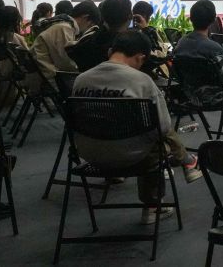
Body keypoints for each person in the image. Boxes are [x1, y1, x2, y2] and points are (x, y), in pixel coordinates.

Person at [71, 34, 202, 224]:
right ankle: (153, 206)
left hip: (89, 155)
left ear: (110, 52)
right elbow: (164, 127)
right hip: (131, 157)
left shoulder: (81, 79)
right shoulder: (141, 81)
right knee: (157, 139)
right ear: (141, 58)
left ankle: (187, 162)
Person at [29, 0, 92, 74]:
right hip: (46, 75)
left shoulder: (56, 24)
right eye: (91, 25)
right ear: (85, 18)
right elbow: (65, 63)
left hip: (41, 71)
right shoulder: (64, 28)